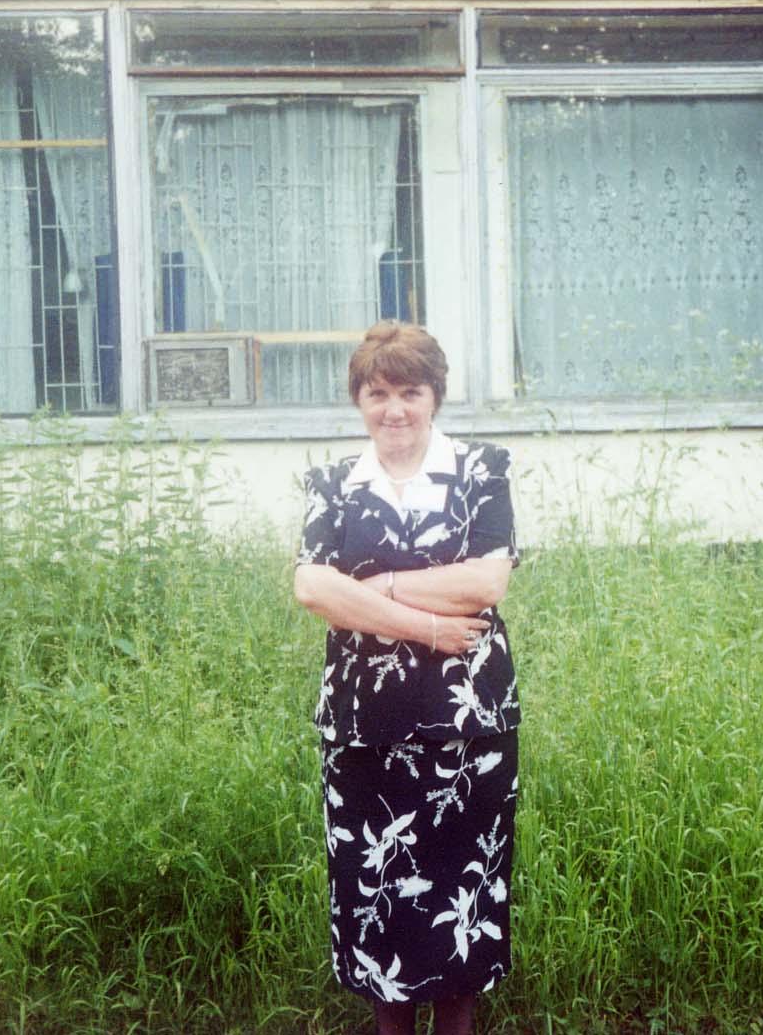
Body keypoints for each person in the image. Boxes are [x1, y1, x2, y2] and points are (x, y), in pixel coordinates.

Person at [293, 321, 521, 1035]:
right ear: (358, 400)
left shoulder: (482, 471)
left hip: (468, 726)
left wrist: (374, 587)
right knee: (376, 892)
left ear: (435, 397)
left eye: (410, 392)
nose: (394, 409)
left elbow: (485, 583)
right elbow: (312, 589)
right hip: (364, 727)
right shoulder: (331, 484)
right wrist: (428, 626)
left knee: (463, 891)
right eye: (378, 393)